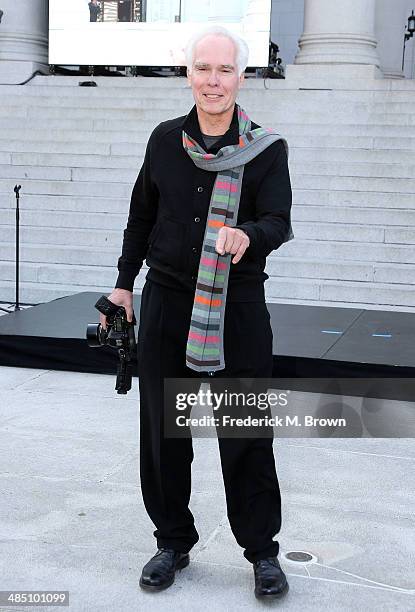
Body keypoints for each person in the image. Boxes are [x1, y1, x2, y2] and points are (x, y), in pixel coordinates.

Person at [100, 25, 293, 601]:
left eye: (224, 70)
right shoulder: (164, 141)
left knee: (244, 432)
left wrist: (248, 235)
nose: (213, 81)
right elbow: (141, 217)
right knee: (164, 432)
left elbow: (279, 221)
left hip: (235, 309)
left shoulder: (266, 148)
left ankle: (262, 552)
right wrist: (123, 286)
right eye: (203, 69)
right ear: (188, 74)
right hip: (166, 300)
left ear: (242, 76)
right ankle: (172, 542)